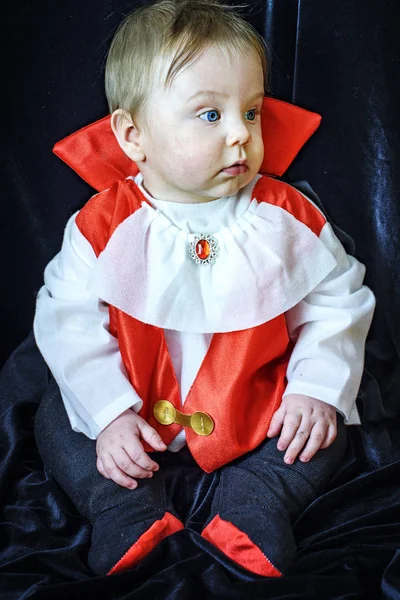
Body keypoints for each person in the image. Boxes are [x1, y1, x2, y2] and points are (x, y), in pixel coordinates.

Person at [33, 0, 375, 578]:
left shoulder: (287, 215)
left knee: (326, 427)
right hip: (136, 406)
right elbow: (67, 319)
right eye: (210, 116)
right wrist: (110, 412)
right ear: (134, 134)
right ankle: (121, 505)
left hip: (257, 402)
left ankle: (260, 495)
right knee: (54, 414)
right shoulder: (102, 224)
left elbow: (337, 304)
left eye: (252, 111)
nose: (241, 134)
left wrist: (315, 387)